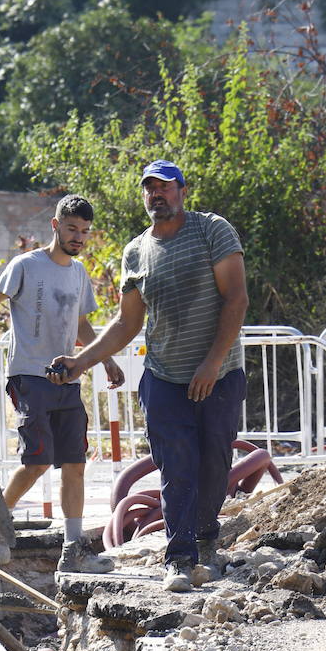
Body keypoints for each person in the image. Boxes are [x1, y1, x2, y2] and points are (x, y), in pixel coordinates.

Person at [47, 161, 248, 593]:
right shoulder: (136, 251)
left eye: (165, 187)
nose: (156, 195)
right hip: (165, 377)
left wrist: (211, 363)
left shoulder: (213, 230)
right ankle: (179, 558)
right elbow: (126, 323)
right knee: (176, 467)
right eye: (149, 189)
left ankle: (207, 540)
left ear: (182, 191)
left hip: (221, 373)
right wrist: (80, 362)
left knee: (214, 461)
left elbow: (236, 298)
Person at [0, 194, 124, 572]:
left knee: (74, 464)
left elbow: (81, 325)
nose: (79, 237)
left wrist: (104, 357)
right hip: (29, 375)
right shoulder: (26, 264)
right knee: (38, 460)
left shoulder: (77, 273)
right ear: (55, 225)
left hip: (67, 377)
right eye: (72, 228)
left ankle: (73, 552)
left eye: (85, 232)